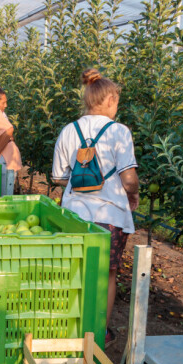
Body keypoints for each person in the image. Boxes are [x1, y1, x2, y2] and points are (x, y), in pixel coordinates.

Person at [51, 68, 139, 343]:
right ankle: (99, 331)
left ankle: (67, 327)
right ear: (111, 99)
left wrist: (81, 183)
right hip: (109, 214)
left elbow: (56, 176)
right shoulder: (119, 132)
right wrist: (132, 195)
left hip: (74, 214)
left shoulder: (69, 130)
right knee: (107, 273)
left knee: (72, 270)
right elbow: (129, 177)